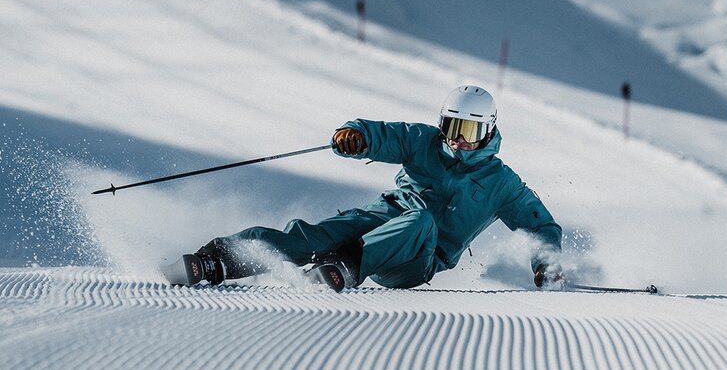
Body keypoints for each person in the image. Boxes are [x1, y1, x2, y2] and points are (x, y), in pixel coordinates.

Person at [194, 85, 562, 291]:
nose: (458, 141)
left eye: (469, 132)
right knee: (316, 235)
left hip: (416, 260)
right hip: (381, 217)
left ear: (488, 131)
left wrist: (547, 264)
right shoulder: (424, 141)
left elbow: (540, 226)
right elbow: (385, 135)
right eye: (452, 128)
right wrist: (355, 136)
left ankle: (347, 267)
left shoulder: (503, 184)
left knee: (421, 221)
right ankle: (219, 258)